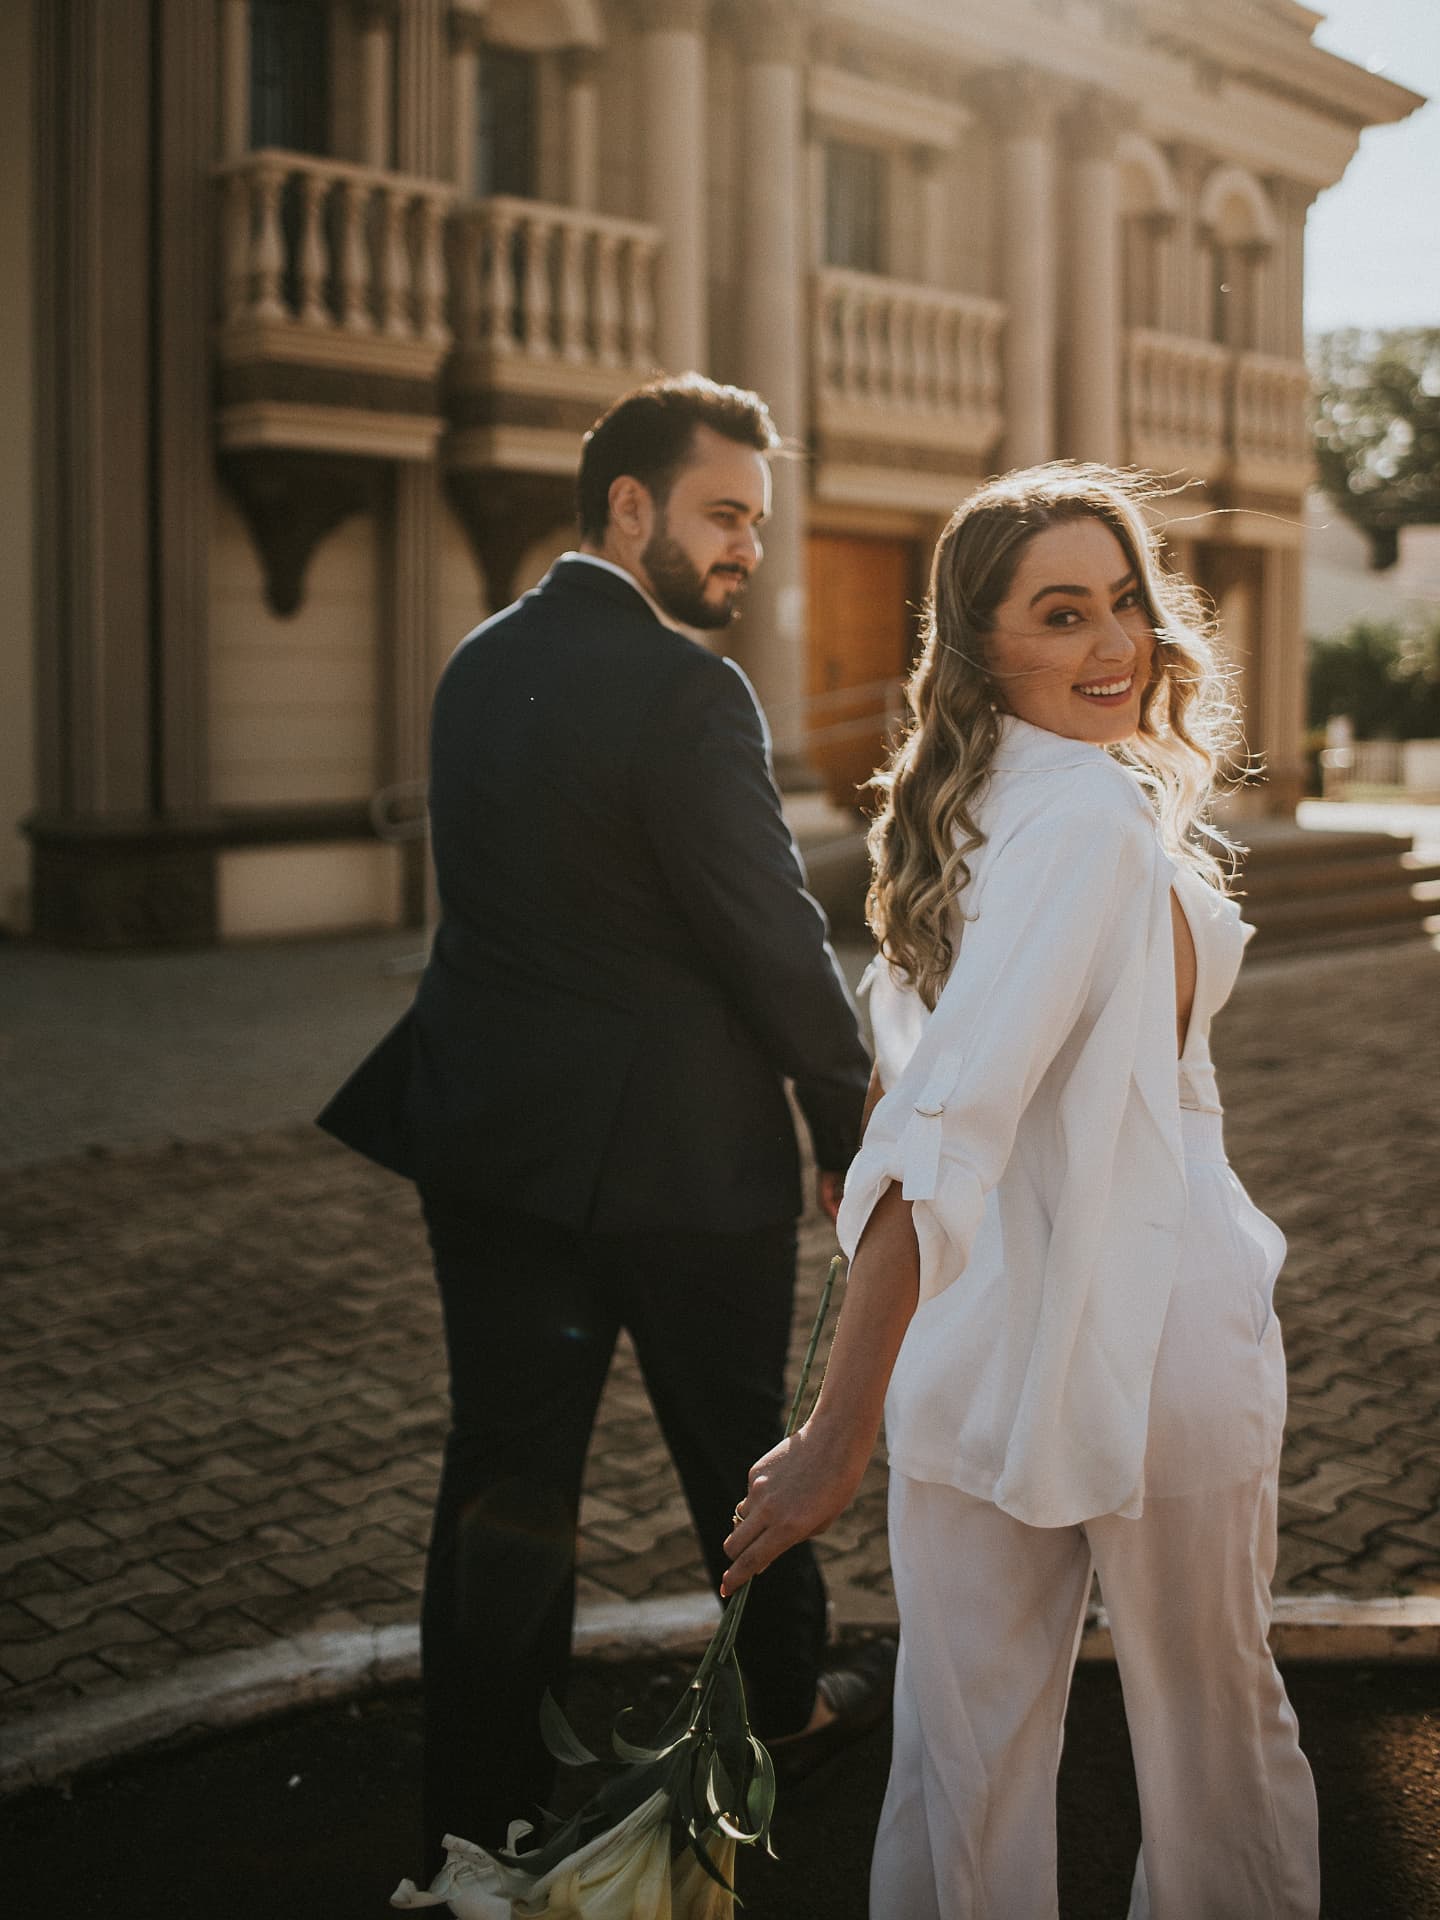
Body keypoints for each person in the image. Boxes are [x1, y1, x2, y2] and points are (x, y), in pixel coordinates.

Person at [722, 462, 1321, 1918]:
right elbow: (944, 1122)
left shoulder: (963, 813)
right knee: (1209, 1747)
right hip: (1148, 1324)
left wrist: (858, 1352)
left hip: (980, 1335)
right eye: (1063, 615)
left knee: (960, 1760)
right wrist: (829, 1430)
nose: (1116, 646)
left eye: (1127, 603)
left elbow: (906, 1097)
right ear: (980, 645)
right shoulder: (1092, 821)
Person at [318, 373, 885, 1872]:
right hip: (682, 1171)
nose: (744, 550)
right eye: (721, 514)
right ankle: (777, 1717)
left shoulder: (472, 662)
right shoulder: (691, 691)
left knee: (503, 1478)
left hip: (490, 1149)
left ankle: (476, 1811)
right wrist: (852, 1129)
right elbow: (769, 936)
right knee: (737, 1461)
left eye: (755, 524)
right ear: (627, 507)